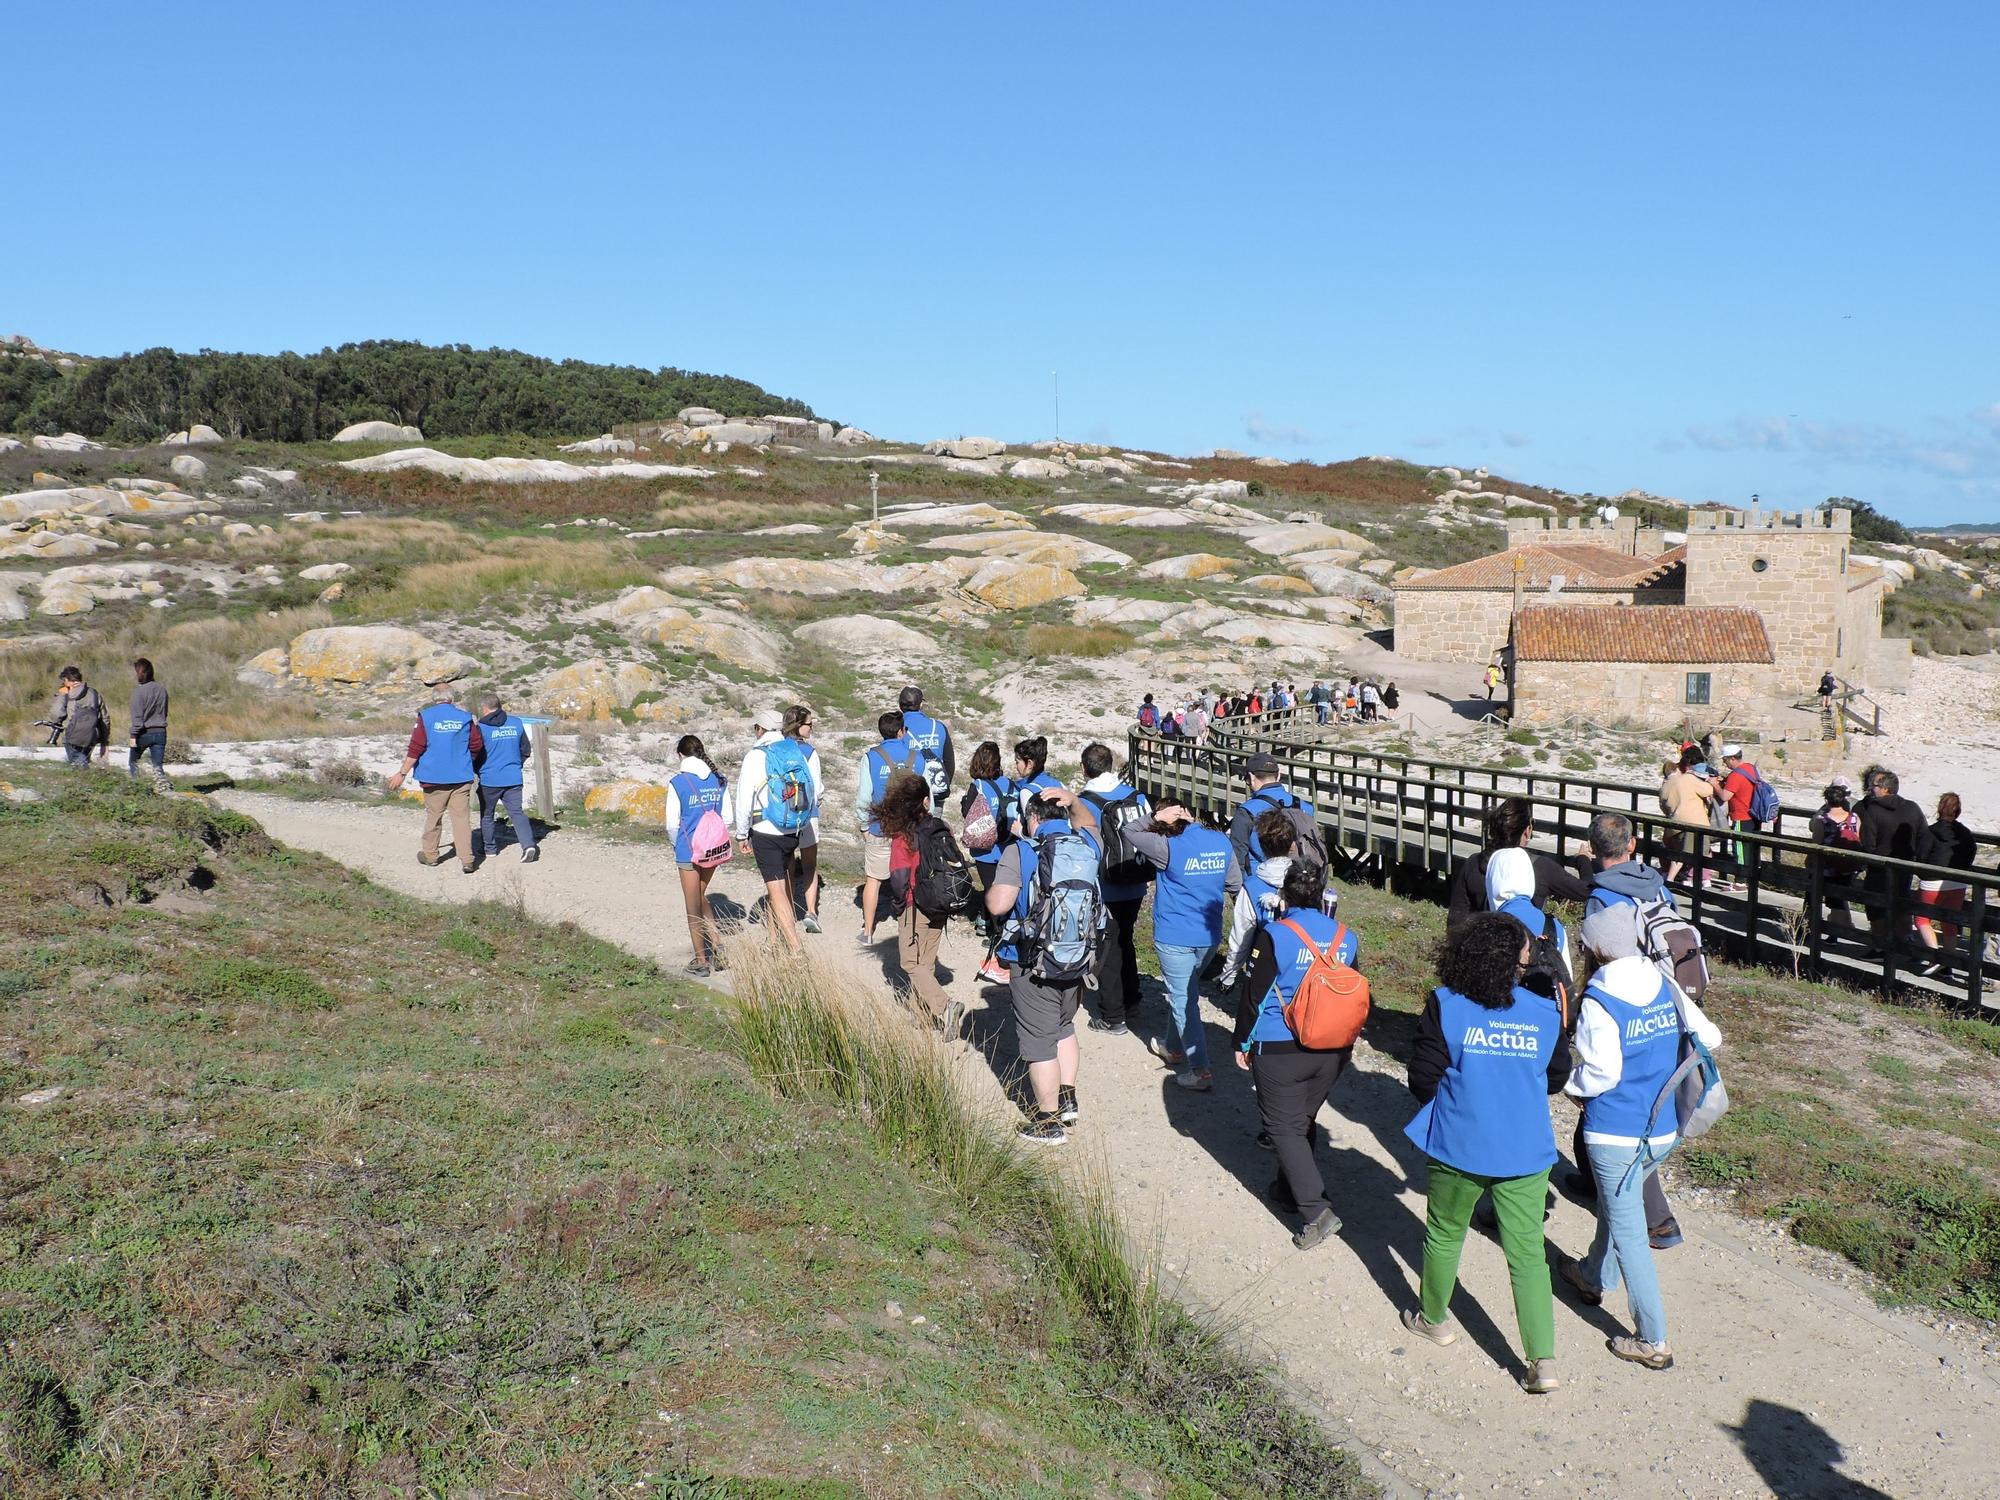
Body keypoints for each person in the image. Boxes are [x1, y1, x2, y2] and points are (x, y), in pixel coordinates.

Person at [1402, 911, 1570, 1395]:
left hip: (1459, 1143)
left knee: (1444, 1233)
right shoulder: (1542, 1010)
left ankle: (1433, 1319)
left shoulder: (1445, 1003)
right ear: (1516, 961)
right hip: (1525, 1148)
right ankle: (1543, 1360)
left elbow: (1421, 1078)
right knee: (1527, 1254)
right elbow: (1557, 1077)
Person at [1560, 903, 1723, 1372]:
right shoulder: (1663, 982)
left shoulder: (1598, 999)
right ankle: (1592, 1276)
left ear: (1593, 951)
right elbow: (1709, 1037)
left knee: (1631, 1232)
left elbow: (1600, 1075)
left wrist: (1568, 1084)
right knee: (1622, 1204)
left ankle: (1653, 1339)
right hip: (1663, 1128)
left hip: (1615, 1134)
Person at [1231, 861, 1360, 1248]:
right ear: (1322, 896)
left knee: (1282, 1127)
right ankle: (1288, 1190)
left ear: (1284, 895)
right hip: (1333, 1048)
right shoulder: (1345, 936)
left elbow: (1254, 996)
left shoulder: (1275, 935)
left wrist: (1241, 1042)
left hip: (1282, 1045)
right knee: (1302, 1118)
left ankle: (1316, 1211)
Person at [985, 787, 1101, 1144]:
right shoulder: (1087, 845)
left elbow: (999, 905)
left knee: (1039, 1042)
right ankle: (1067, 1098)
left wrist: (991, 890)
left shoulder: (1020, 851)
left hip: (1034, 960)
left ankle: (1048, 1122)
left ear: (1033, 819)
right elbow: (1091, 822)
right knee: (1064, 1026)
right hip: (1079, 957)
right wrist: (1074, 800)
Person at [1124, 799, 1240, 1090]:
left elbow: (1129, 830)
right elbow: (1235, 884)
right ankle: (1173, 1048)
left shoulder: (1167, 847)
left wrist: (1154, 815)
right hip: (1209, 935)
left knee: (1183, 1001)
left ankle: (1200, 1071)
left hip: (1175, 936)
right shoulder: (1220, 842)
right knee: (1184, 994)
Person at [874, 767, 961, 1034]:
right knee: (926, 963)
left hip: (916, 904)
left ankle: (945, 1007)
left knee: (910, 963)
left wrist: (899, 906)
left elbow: (899, 878)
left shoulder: (904, 835)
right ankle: (923, 1016)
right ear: (925, 801)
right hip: (941, 901)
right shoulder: (941, 826)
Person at [1079, 741, 1152, 1036]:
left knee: (1107, 949)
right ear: (1110, 765)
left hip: (1105, 885)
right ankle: (1132, 1000)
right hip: (1135, 881)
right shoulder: (1136, 796)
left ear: (1085, 768)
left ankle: (1113, 1015)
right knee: (1125, 939)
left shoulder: (1085, 801)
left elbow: (1085, 846)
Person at [737, 703, 824, 949]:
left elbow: (744, 798)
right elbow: (814, 790)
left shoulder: (756, 755)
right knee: (782, 882)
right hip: (794, 827)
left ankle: (795, 949)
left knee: (775, 888)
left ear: (759, 729)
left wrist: (742, 833)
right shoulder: (795, 750)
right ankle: (774, 940)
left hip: (767, 829)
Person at [855, 710, 935, 946]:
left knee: (873, 880)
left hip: (881, 828)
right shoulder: (918, 758)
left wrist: (864, 826)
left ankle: (868, 931)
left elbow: (863, 798)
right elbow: (928, 795)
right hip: (910, 830)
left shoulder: (870, 757)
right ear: (902, 731)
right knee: (913, 881)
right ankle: (911, 932)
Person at [1444, 796, 1588, 924]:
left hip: (1482, 948)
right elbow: (1585, 891)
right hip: (1524, 950)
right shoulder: (1541, 867)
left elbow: (1456, 920)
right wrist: (1583, 860)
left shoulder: (1474, 863)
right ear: (1527, 830)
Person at [387, 686, 483, 872]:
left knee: (434, 816)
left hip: (434, 777)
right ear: (452, 699)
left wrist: (402, 773)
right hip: (460, 777)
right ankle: (467, 860)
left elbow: (416, 748)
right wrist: (465, 761)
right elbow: (476, 744)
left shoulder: (426, 716)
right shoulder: (465, 717)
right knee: (461, 819)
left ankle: (430, 856)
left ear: (434, 699)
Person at [662, 733, 734, 975]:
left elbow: (672, 824)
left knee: (692, 905)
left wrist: (677, 845)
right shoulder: (718, 780)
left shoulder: (678, 783)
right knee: (701, 895)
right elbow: (728, 818)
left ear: (680, 755)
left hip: (688, 849)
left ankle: (701, 961)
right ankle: (718, 945)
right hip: (713, 848)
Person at [960, 740, 1016, 981]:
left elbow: (968, 814)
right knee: (1008, 890)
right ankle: (1004, 929)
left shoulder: (978, 787)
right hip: (1007, 847)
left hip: (985, 850)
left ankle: (998, 934)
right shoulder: (1010, 785)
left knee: (992, 892)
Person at [1859, 769, 1927, 951]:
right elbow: (1923, 835)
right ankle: (1905, 942)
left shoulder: (1873, 810)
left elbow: (1867, 841)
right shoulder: (1912, 807)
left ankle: (1880, 947)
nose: (1871, 789)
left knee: (1875, 906)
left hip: (1879, 866)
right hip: (1905, 866)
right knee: (1901, 903)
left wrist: (1871, 857)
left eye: (1874, 786)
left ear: (1884, 789)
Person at [474, 692, 539, 864]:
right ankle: (528, 845)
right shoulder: (516, 722)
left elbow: (476, 753)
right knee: (517, 813)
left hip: (489, 778)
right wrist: (516, 765)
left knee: (487, 815)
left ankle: (489, 849)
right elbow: (525, 749)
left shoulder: (481, 727)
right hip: (513, 777)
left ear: (485, 708)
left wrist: (478, 770)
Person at [1229, 752, 1319, 875]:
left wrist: (1237, 891)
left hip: (1258, 881)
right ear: (1278, 776)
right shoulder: (1306, 808)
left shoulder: (1246, 811)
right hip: (1298, 881)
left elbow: (1237, 856)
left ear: (1251, 778)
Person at [1915, 793, 1975, 972]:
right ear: (1958, 810)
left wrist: (1922, 874)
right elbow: (1971, 851)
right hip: (1958, 882)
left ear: (1939, 808)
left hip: (1932, 881)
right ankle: (1948, 962)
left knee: (1921, 919)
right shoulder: (1964, 833)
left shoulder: (1931, 831)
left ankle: (1935, 956)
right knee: (1949, 921)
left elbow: (1921, 856)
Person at [1809, 779, 1864, 930]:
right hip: (1849, 865)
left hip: (1828, 867)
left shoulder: (1823, 820)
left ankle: (1836, 932)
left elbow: (1816, 844)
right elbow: (1857, 840)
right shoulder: (1854, 818)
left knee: (1827, 899)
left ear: (1827, 800)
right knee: (1840, 899)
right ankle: (1842, 928)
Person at [1659, 747, 1716, 885]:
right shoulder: (1688, 779)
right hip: (1695, 821)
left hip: (1675, 823)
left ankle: (1686, 877)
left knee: (1681, 851)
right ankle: (1680, 879)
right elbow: (1708, 790)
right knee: (1692, 853)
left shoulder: (1666, 785)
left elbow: (1663, 805)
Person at [1717, 744, 1769, 886]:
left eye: (1725, 760)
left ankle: (1740, 881)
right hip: (1754, 814)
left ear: (1733, 758)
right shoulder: (1750, 768)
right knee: (1751, 848)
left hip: (1741, 815)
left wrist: (1714, 785)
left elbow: (1725, 797)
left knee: (1739, 849)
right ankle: (1752, 879)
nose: (1724, 763)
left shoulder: (1735, 775)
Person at [898, 685, 954, 809]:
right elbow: (949, 762)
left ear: (900, 705)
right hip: (935, 791)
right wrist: (944, 786)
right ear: (921, 705)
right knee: (934, 827)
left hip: (908, 794)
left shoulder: (898, 729)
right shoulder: (938, 726)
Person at [48, 666, 109, 769]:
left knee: (79, 763)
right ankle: (85, 778)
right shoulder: (94, 693)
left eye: (64, 681)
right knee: (83, 760)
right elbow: (105, 719)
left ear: (67, 680)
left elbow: (56, 714)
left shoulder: (65, 692)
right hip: (91, 736)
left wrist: (57, 721)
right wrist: (104, 741)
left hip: (72, 735)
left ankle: (84, 778)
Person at [126, 657, 170, 789]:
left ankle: (137, 789)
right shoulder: (162, 690)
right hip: (161, 731)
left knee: (134, 763)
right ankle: (162, 789)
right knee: (157, 766)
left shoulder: (138, 692)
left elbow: (137, 718)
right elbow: (164, 712)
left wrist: (133, 736)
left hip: (144, 733)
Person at [1010, 735, 1061, 829]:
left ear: (1029, 764)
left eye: (1017, 762)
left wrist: (1019, 832)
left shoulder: (1027, 792)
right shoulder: (1057, 783)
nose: (1016, 766)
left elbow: (1033, 831)